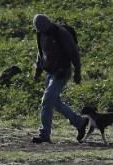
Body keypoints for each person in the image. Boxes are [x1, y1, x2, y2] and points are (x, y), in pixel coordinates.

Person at [31, 14, 87, 144]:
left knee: (47, 100)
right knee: (54, 101)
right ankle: (80, 122)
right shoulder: (40, 34)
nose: (44, 31)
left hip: (62, 72)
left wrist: (77, 73)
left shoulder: (61, 33)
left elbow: (74, 54)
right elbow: (41, 53)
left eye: (45, 29)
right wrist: (38, 71)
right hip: (49, 71)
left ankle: (44, 134)